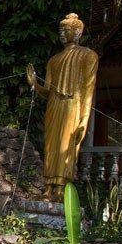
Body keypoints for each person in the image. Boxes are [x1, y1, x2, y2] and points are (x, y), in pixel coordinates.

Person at [26, 13, 99, 201]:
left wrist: (84, 117)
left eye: (66, 30)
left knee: (66, 145)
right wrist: (34, 83)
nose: (62, 34)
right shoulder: (54, 60)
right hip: (54, 105)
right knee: (51, 146)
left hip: (73, 105)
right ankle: (48, 187)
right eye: (60, 30)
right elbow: (48, 90)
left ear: (77, 32)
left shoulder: (88, 55)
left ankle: (61, 189)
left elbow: (88, 89)